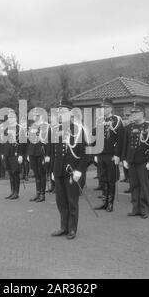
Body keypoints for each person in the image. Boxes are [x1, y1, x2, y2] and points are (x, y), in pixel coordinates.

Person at [47, 99, 90, 240]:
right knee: (61, 202)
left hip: (72, 172)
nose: (60, 113)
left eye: (63, 111)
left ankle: (72, 229)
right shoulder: (55, 129)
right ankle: (63, 227)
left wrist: (79, 170)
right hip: (59, 171)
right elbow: (54, 152)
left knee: (72, 202)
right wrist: (53, 171)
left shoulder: (78, 129)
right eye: (58, 111)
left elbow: (86, 153)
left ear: (70, 113)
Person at [122, 103, 149, 219]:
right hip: (131, 161)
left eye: (136, 112)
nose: (133, 114)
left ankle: (144, 209)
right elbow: (125, 144)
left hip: (144, 161)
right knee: (133, 186)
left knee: (144, 187)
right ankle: (135, 208)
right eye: (132, 112)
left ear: (142, 113)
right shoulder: (129, 127)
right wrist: (124, 159)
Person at [94, 98, 124, 212]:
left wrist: (118, 155)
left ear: (111, 108)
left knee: (111, 179)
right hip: (101, 154)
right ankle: (104, 202)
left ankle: (110, 203)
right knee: (103, 178)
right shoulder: (99, 120)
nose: (103, 110)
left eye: (106, 107)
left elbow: (120, 138)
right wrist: (96, 153)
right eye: (101, 108)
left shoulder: (116, 120)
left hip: (111, 154)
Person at [3, 111, 27, 200]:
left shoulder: (20, 128)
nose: (10, 119)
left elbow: (23, 143)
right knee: (10, 173)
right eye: (9, 118)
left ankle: (16, 193)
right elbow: (4, 142)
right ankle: (12, 191)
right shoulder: (6, 128)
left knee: (15, 173)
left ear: (15, 118)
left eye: (12, 118)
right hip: (8, 154)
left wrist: (21, 155)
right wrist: (3, 153)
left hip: (15, 153)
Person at [27, 109, 49, 203]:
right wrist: (28, 153)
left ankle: (42, 195)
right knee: (36, 174)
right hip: (32, 152)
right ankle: (38, 193)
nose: (34, 117)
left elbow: (48, 141)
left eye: (36, 115)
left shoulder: (46, 126)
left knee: (42, 174)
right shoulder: (33, 126)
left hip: (41, 152)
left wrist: (47, 155)